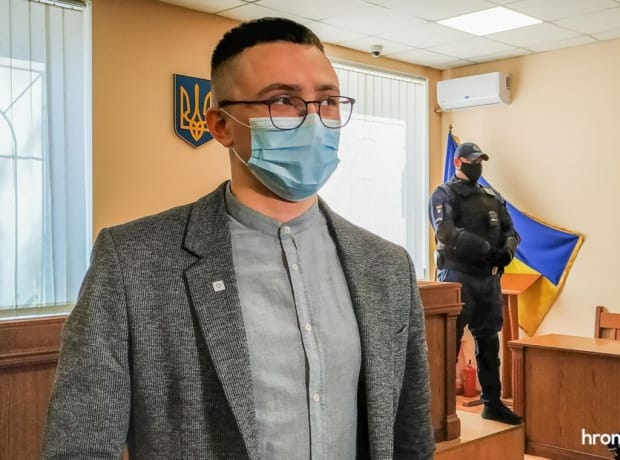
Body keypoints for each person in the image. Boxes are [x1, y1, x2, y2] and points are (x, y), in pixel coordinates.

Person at [42, 17, 434, 460]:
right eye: (283, 100)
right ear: (221, 125)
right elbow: (80, 444)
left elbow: (410, 438)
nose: (313, 120)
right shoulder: (133, 261)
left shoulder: (386, 265)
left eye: (327, 101)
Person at [428, 141, 522, 425]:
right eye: (472, 161)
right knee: (447, 343)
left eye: (480, 161)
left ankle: (492, 403)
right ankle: (438, 411)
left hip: (488, 279)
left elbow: (511, 231)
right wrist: (485, 249)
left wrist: (507, 251)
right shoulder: (444, 193)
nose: (477, 165)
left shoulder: (491, 196)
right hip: (458, 277)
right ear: (458, 162)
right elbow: (446, 232)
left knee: (489, 341)